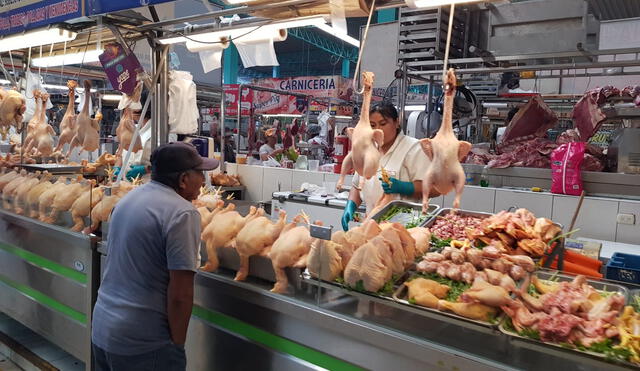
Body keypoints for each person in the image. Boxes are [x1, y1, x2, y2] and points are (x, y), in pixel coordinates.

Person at [92, 142, 219, 371]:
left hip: (103, 327)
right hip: (144, 342)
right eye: (200, 173)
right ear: (183, 180)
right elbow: (180, 293)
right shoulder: (182, 213)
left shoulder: (127, 200)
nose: (203, 180)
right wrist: (176, 345)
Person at [341, 103, 435, 231]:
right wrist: (350, 206)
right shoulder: (368, 148)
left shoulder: (414, 148)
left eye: (383, 124)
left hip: (404, 227)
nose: (378, 130)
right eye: (373, 125)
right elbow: (357, 186)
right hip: (371, 224)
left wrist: (404, 187)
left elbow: (434, 189)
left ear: (396, 123)